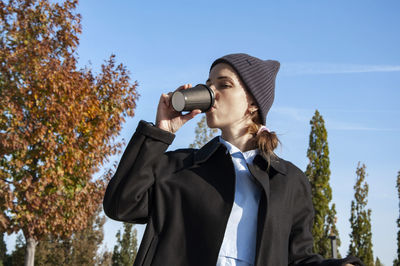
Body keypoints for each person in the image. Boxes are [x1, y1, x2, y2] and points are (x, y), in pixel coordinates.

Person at [103, 53, 363, 266]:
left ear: (252, 103)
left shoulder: (289, 181)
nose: (210, 91)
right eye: (209, 84)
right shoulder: (180, 167)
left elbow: (299, 258)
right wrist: (159, 133)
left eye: (224, 84)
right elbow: (121, 206)